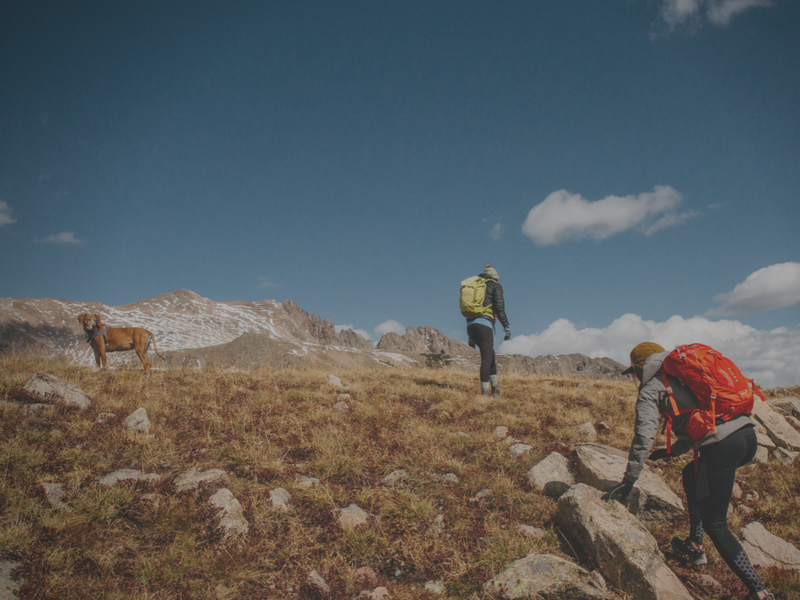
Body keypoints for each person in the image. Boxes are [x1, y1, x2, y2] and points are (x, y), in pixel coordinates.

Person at [605, 342, 774, 600]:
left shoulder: (651, 388)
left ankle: (759, 592)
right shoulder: (684, 374)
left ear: (639, 368)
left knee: (716, 523)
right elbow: (704, 418)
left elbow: (644, 435)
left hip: (723, 446)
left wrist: (629, 480)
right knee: (690, 476)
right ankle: (694, 546)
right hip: (747, 436)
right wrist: (673, 451)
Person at [465, 264, 510, 396]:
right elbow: (500, 308)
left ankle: (495, 387)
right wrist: (506, 326)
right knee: (486, 358)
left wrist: (471, 336)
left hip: (471, 324)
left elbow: (470, 308)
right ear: (495, 278)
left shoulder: (475, 286)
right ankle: (485, 392)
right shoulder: (495, 286)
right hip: (484, 324)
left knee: (491, 355)